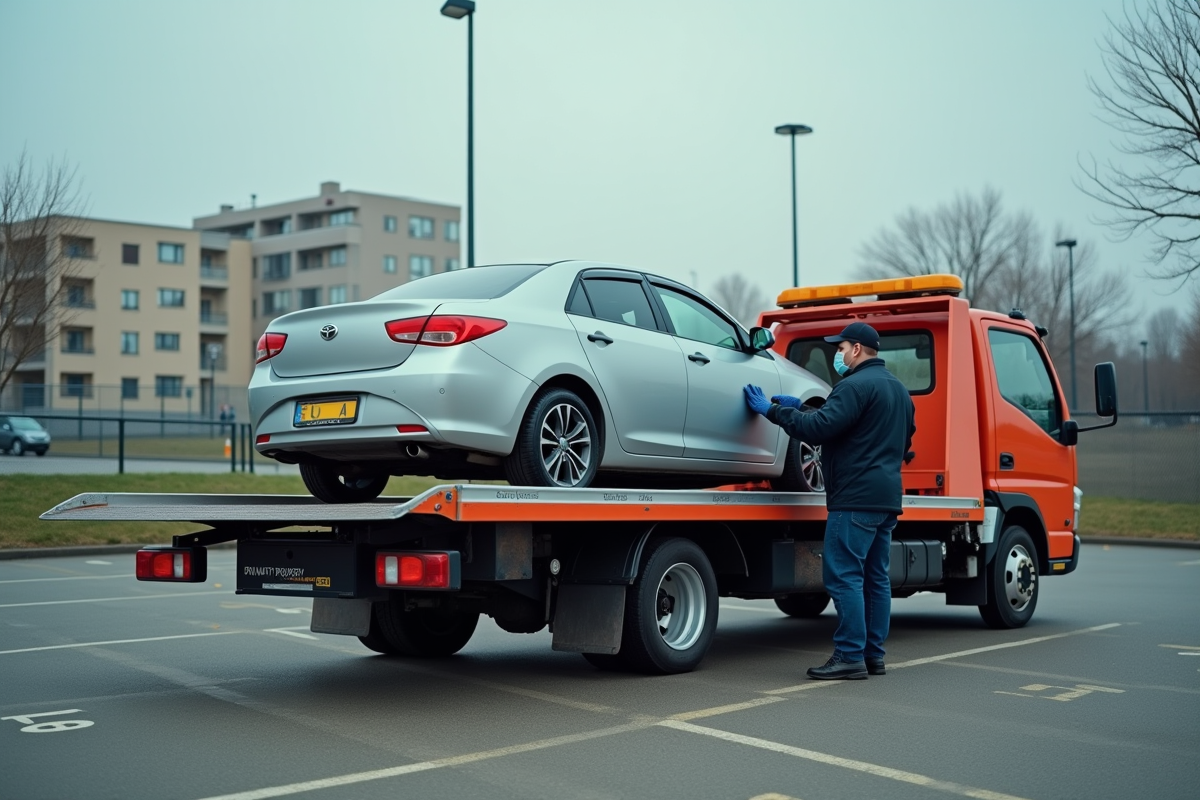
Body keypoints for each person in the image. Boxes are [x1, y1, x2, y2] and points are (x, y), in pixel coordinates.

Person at [744, 321, 915, 680]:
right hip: (886, 499)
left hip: (854, 498)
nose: (837, 354)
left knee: (843, 577)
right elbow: (899, 440)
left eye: (840, 348)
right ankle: (873, 657)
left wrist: (773, 411)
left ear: (856, 350)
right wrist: (802, 409)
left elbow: (819, 429)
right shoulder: (899, 391)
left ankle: (849, 655)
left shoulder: (852, 386)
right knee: (875, 579)